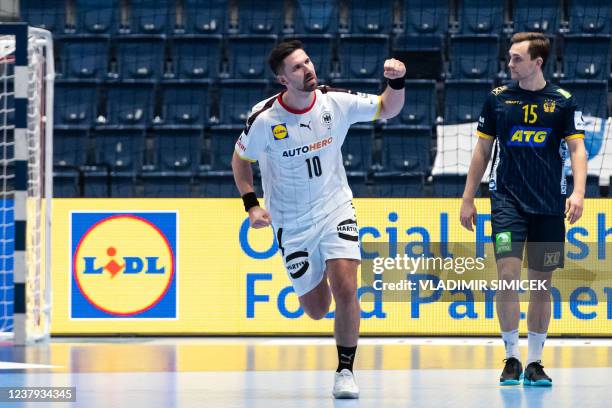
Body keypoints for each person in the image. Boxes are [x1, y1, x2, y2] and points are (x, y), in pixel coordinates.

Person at [232, 40, 405, 398]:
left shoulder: (334, 103)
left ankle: (345, 370)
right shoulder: (264, 119)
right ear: (283, 79)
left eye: (307, 61)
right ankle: (317, 280)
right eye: (297, 67)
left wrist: (397, 81)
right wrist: (251, 204)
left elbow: (388, 108)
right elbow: (240, 161)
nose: (307, 69)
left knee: (346, 286)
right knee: (316, 308)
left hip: (334, 208)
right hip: (290, 222)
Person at [460, 32, 587, 386]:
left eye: (517, 58)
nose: (510, 63)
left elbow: (577, 150)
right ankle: (511, 356)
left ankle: (535, 362)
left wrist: (578, 193)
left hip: (549, 205)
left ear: (537, 62)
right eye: (510, 57)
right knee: (507, 278)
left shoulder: (562, 102)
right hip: (507, 201)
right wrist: (468, 198)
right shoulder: (498, 100)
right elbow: (482, 152)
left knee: (542, 286)